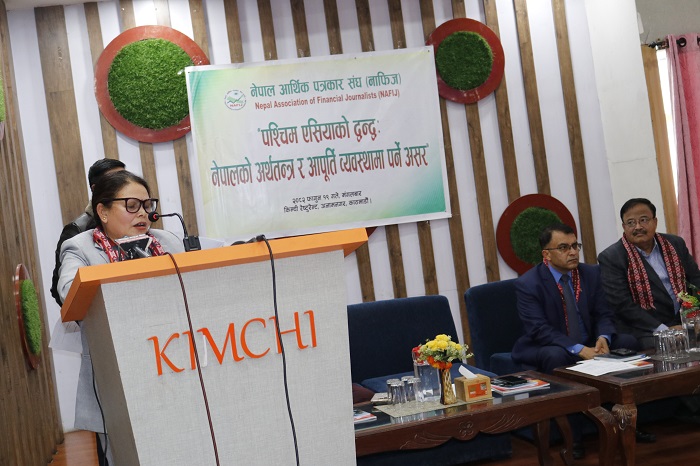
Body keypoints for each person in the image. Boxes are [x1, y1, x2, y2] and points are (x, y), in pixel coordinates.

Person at [57, 170, 184, 465]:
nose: (143, 213)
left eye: (147, 205)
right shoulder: (80, 247)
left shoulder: (166, 240)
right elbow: (68, 291)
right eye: (131, 205)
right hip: (116, 378)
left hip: (172, 363)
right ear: (102, 211)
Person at [512, 223, 638, 374]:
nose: (572, 252)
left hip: (590, 341)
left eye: (574, 246)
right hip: (551, 344)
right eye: (563, 248)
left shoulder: (591, 273)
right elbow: (539, 329)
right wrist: (579, 349)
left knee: (627, 341)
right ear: (547, 254)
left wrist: (603, 337)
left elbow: (604, 313)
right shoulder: (529, 284)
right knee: (555, 355)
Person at [598, 198, 700, 349]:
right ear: (624, 227)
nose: (638, 227)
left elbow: (695, 281)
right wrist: (665, 330)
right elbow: (622, 304)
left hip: (684, 320)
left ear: (655, 222)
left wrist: (695, 319)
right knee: (673, 344)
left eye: (644, 220)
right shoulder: (612, 257)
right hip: (644, 329)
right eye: (631, 223)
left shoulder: (675, 244)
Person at [50, 158, 126, 306]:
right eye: (115, 181)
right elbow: (59, 289)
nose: (123, 185)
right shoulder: (76, 229)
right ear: (95, 189)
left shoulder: (131, 221)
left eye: (125, 178)